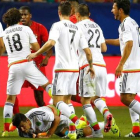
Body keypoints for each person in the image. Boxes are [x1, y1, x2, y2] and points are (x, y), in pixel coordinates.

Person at [27, 1, 98, 137]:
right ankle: (72, 132)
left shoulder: (57, 25)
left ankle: (77, 122)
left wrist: (36, 54)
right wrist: (91, 66)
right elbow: (87, 51)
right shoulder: (77, 28)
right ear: (71, 12)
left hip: (62, 68)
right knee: (67, 101)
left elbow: (51, 43)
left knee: (57, 101)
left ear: (59, 12)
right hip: (75, 69)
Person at [1, 8, 51, 137]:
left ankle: (6, 129)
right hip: (27, 62)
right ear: (18, 18)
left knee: (10, 99)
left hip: (13, 66)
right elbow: (36, 48)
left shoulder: (5, 32)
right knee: (47, 86)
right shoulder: (26, 29)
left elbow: (3, 47)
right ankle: (62, 104)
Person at [75, 3, 120, 136]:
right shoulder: (97, 26)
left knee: (85, 100)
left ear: (77, 15)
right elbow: (104, 48)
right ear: (89, 14)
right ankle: (107, 113)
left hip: (88, 66)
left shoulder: (77, 27)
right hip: (102, 65)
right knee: (97, 97)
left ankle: (97, 132)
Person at [109, 0, 140, 137]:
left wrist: (121, 64)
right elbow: (121, 41)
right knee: (131, 98)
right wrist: (104, 41)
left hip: (130, 66)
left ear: (120, 10)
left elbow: (129, 44)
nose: (112, 10)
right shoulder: (132, 22)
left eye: (113, 8)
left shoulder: (125, 25)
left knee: (125, 98)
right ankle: (136, 130)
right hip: (136, 64)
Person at [19, 6, 53, 107]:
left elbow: (49, 45)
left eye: (25, 15)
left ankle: (45, 114)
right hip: (21, 63)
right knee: (12, 92)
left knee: (38, 94)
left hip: (37, 64)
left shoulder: (39, 27)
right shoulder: (17, 28)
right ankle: (15, 118)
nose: (23, 17)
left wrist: (47, 57)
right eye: (21, 15)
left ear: (30, 16)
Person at [12, 105, 105, 139]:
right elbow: (33, 135)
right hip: (51, 127)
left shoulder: (37, 115)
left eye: (22, 126)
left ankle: (103, 125)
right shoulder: (21, 132)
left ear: (28, 121)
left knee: (81, 131)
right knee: (75, 136)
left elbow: (56, 118)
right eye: (19, 128)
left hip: (59, 118)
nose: (22, 129)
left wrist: (49, 135)